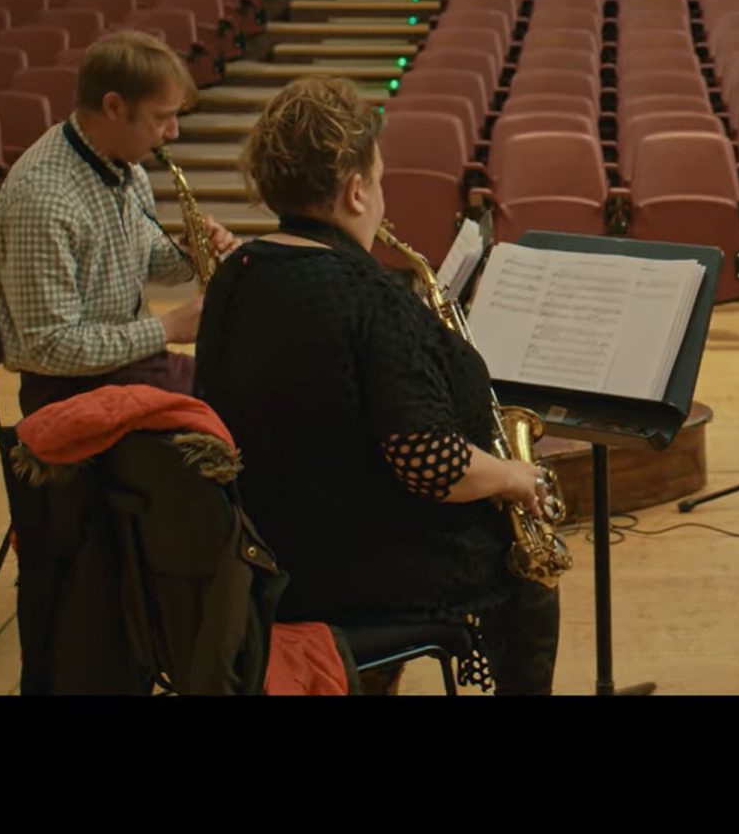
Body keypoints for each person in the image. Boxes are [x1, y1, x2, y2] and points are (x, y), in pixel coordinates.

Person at [191, 76, 559, 696]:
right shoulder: (367, 296)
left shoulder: (238, 274)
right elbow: (433, 465)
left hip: (256, 550)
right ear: (355, 190)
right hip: (343, 570)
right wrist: (513, 477)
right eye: (380, 181)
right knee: (526, 563)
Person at [0, 30, 238, 417]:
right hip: (70, 392)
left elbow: (144, 259)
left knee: (251, 385)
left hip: (126, 368)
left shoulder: (124, 169)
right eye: (162, 117)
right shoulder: (43, 197)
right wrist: (168, 328)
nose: (173, 132)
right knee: (242, 405)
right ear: (114, 107)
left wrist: (192, 251)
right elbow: (48, 348)